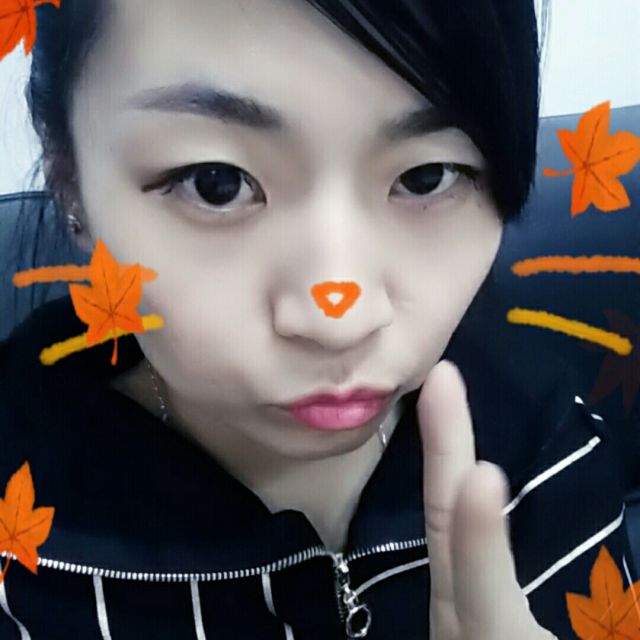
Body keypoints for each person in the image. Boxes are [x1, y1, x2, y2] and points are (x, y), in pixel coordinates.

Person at [0, 0, 637, 638]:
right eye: (216, 183)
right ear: (69, 181)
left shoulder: (548, 441)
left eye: (425, 178)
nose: (340, 322)